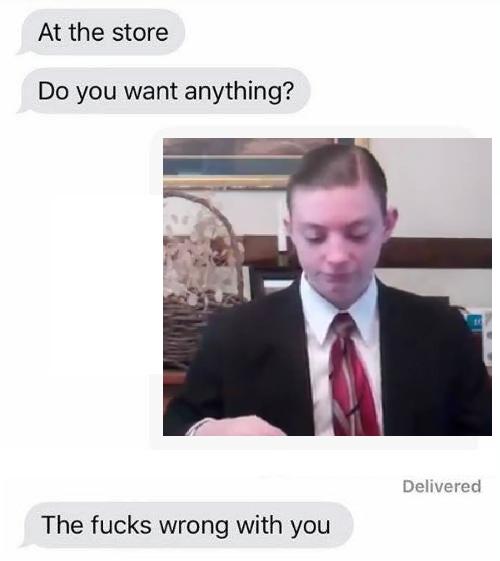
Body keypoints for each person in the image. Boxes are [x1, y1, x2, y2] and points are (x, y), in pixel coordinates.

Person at [163, 143, 492, 436]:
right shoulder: (232, 334)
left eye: (357, 234)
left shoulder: (444, 331)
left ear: (387, 224)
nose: (336, 257)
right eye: (315, 236)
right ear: (291, 230)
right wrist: (206, 433)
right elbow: (176, 424)